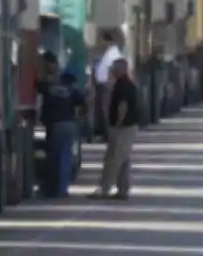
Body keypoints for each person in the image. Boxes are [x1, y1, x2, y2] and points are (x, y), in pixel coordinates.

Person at [91, 58, 139, 200]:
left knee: (113, 159)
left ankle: (105, 188)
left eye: (114, 68)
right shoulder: (125, 83)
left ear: (122, 69)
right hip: (128, 126)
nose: (112, 70)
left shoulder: (123, 85)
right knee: (123, 159)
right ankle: (123, 189)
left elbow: (122, 106)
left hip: (123, 127)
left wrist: (117, 123)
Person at [37, 63, 84, 198]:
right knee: (65, 157)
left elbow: (39, 87)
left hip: (56, 126)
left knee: (54, 158)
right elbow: (84, 103)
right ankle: (62, 188)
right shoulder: (73, 91)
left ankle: (52, 188)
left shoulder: (51, 89)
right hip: (69, 124)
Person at [92, 30, 124, 139]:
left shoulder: (113, 53)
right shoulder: (106, 53)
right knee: (102, 110)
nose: (99, 43)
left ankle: (109, 134)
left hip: (108, 86)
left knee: (106, 110)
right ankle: (104, 133)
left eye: (100, 41)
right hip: (101, 85)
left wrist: (111, 83)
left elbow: (114, 69)